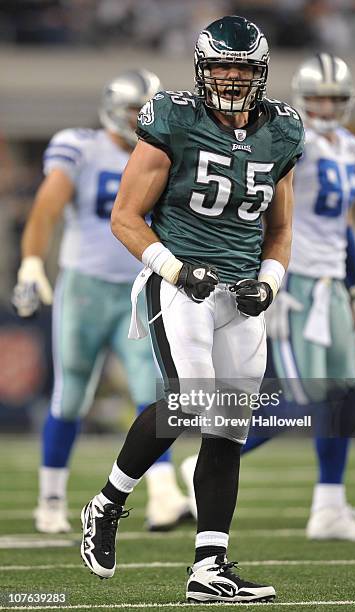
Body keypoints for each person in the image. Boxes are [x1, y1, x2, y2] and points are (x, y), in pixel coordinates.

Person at [80, 15, 304, 604]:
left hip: (241, 292)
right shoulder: (174, 119)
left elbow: (280, 229)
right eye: (224, 66)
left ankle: (209, 567)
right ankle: (106, 506)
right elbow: (125, 217)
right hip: (180, 281)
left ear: (261, 73)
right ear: (204, 69)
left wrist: (271, 282)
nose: (232, 78)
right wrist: (178, 268)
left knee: (228, 427)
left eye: (244, 68)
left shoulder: (280, 131)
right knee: (190, 401)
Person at [12, 69, 190, 535]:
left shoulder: (168, 153)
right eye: (135, 108)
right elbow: (48, 204)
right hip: (86, 288)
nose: (141, 117)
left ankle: (164, 495)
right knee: (71, 395)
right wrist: (31, 260)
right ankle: (51, 499)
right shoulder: (81, 145)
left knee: (152, 394)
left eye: (146, 109)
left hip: (139, 287)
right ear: (115, 107)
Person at [233, 53, 355, 541]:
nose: (324, 105)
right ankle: (205, 462)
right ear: (301, 97)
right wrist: (266, 280)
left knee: (342, 394)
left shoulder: (350, 146)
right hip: (293, 281)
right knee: (297, 400)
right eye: (317, 96)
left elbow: (340, 227)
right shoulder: (287, 137)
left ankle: (329, 507)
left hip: (329, 283)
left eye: (334, 98)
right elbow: (261, 210)